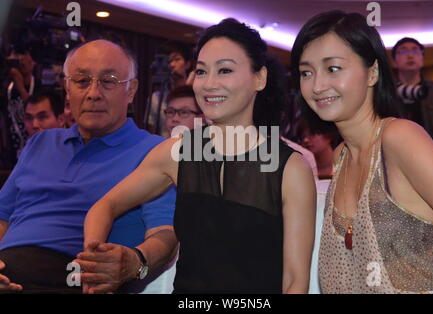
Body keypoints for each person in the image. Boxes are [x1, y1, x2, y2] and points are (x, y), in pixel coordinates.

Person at [82, 18, 316, 294]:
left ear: (260, 78)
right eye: (201, 72)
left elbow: (294, 282)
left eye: (225, 70)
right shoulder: (179, 152)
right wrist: (94, 264)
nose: (208, 84)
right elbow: (104, 206)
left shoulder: (290, 168)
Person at [0, 39, 177, 294]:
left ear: (131, 91)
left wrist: (136, 262)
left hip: (80, 278)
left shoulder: (154, 150)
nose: (94, 93)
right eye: (82, 81)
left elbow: (164, 233)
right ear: (67, 88)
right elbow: (3, 217)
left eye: (108, 81)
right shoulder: (41, 142)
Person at [291, 10, 433, 293]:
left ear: (372, 72)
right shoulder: (340, 155)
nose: (317, 86)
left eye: (333, 68)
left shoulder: (400, 139)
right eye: (306, 72)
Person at [392, 37, 433, 158]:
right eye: (403, 51)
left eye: (415, 51)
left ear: (422, 59)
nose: (410, 56)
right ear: (394, 62)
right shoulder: (387, 91)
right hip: (397, 156)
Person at [148, 40, 195, 137]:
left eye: (177, 59)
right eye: (168, 61)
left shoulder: (196, 93)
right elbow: (152, 130)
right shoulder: (156, 97)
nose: (172, 65)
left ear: (187, 64)